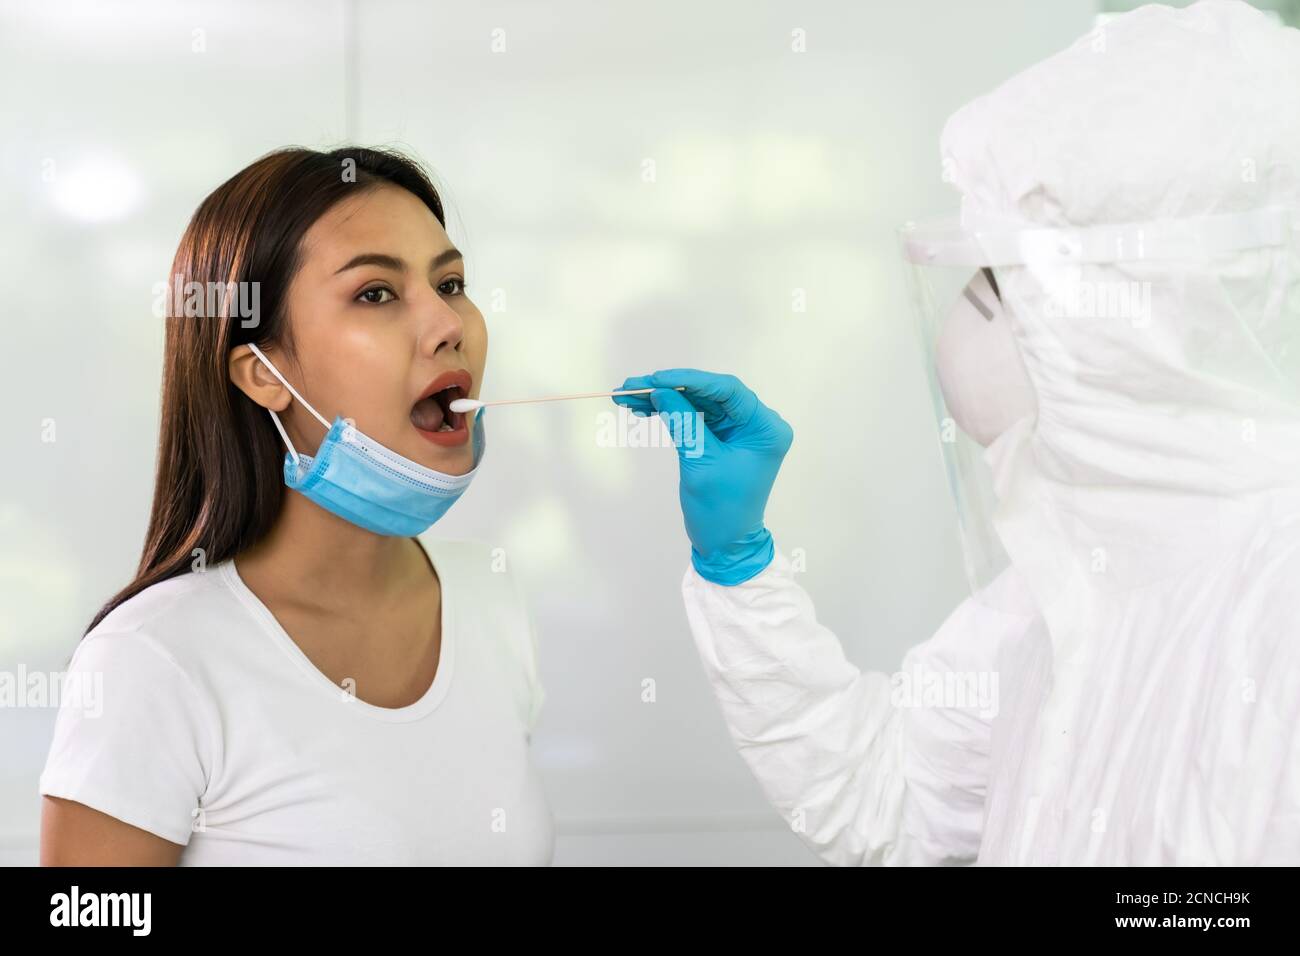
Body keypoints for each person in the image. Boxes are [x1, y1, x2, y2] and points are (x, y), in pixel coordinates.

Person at [616, 0, 1300, 865]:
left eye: (1003, 279)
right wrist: (742, 570)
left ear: (1152, 306)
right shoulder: (1064, 589)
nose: (970, 319)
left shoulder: (1274, 607)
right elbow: (885, 793)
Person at [39, 147, 554, 865]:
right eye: (376, 292)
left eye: (452, 282)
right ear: (264, 374)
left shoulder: (490, 595)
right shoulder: (155, 658)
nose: (449, 324)